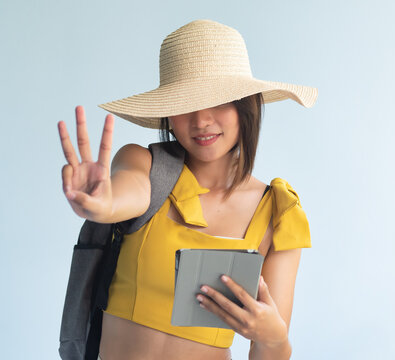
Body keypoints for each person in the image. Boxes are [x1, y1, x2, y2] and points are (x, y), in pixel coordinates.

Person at [58, 19, 317, 360]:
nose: (201, 120)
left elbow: (269, 351)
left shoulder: (278, 214)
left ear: (247, 105)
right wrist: (101, 203)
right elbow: (125, 194)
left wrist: (273, 338)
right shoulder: (146, 166)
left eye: (219, 101)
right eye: (185, 104)